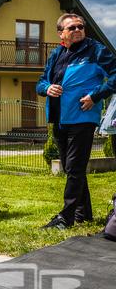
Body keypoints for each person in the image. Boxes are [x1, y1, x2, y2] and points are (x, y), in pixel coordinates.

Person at [37, 13, 116, 229]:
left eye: (81, 26)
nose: (78, 30)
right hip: (58, 117)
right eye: (72, 27)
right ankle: (84, 213)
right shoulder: (56, 54)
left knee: (74, 168)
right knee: (72, 167)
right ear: (61, 33)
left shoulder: (96, 50)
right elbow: (41, 82)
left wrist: (95, 96)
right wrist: (47, 88)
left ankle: (66, 218)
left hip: (82, 116)